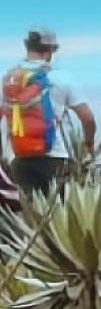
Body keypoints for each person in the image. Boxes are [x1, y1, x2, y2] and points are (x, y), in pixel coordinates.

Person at [3, 26, 95, 197]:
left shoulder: (9, 79)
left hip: (21, 160)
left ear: (27, 46)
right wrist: (88, 148)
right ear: (50, 51)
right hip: (55, 158)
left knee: (30, 216)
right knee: (58, 214)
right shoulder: (62, 78)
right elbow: (87, 119)